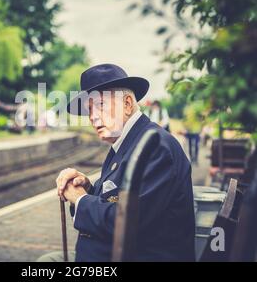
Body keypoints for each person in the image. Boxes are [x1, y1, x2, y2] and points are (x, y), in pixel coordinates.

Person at [38, 63, 195, 262]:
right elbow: (116, 197)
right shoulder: (132, 142)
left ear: (127, 104)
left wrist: (80, 200)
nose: (93, 117)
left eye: (100, 105)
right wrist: (88, 188)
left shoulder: (155, 146)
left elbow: (129, 221)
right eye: (89, 110)